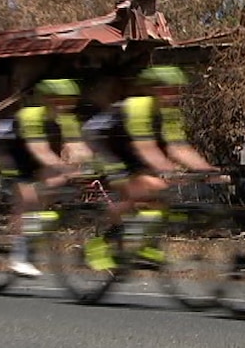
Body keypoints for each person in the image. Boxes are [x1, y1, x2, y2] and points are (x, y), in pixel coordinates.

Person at [81, 65, 220, 269]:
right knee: (142, 190)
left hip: (128, 147)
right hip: (103, 143)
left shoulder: (170, 113)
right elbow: (145, 147)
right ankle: (99, 244)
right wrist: (169, 171)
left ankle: (144, 243)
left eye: (175, 89)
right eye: (164, 89)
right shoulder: (138, 107)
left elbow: (178, 148)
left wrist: (208, 170)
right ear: (151, 90)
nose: (171, 94)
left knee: (159, 200)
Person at [0, 78, 92, 278]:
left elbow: (77, 146)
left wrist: (86, 163)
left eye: (68, 101)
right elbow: (40, 151)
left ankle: (31, 236)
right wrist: (64, 167)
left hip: (33, 155)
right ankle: (18, 256)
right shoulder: (31, 116)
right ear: (46, 100)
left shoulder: (68, 119)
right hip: (8, 150)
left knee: (51, 188)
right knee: (28, 198)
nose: (64, 105)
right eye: (58, 101)